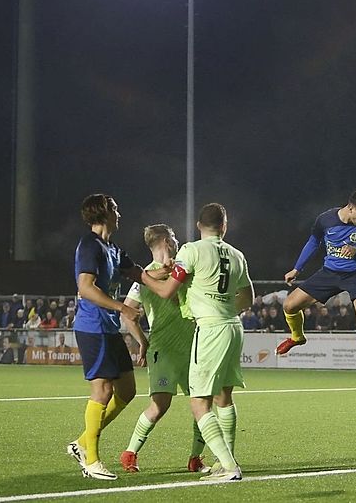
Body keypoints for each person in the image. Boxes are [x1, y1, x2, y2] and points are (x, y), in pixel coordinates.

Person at [145, 203, 253, 482]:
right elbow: (248, 298)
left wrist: (142, 276)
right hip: (233, 328)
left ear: (198, 226)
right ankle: (224, 459)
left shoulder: (190, 250)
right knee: (224, 397)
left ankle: (229, 466)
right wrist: (225, 306)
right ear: (224, 226)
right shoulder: (238, 255)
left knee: (199, 404)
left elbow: (168, 291)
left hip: (210, 330)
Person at [65, 194, 157, 481]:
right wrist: (123, 308)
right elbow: (86, 287)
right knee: (102, 392)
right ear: (103, 214)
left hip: (109, 327)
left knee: (127, 391)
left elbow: (138, 274)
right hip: (92, 326)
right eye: (115, 209)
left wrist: (167, 274)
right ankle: (91, 460)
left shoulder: (112, 248)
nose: (119, 213)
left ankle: (82, 442)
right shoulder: (89, 245)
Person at [119, 224, 210, 474]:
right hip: (164, 350)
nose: (177, 241)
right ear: (166, 241)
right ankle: (130, 453)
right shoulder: (144, 277)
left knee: (203, 404)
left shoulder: (182, 268)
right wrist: (143, 342)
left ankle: (196, 458)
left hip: (193, 347)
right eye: (173, 238)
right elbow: (128, 314)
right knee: (159, 406)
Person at [278, 188, 356, 382]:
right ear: (351, 208)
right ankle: (297, 337)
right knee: (289, 305)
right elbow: (313, 242)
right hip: (329, 273)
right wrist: (297, 269)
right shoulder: (325, 219)